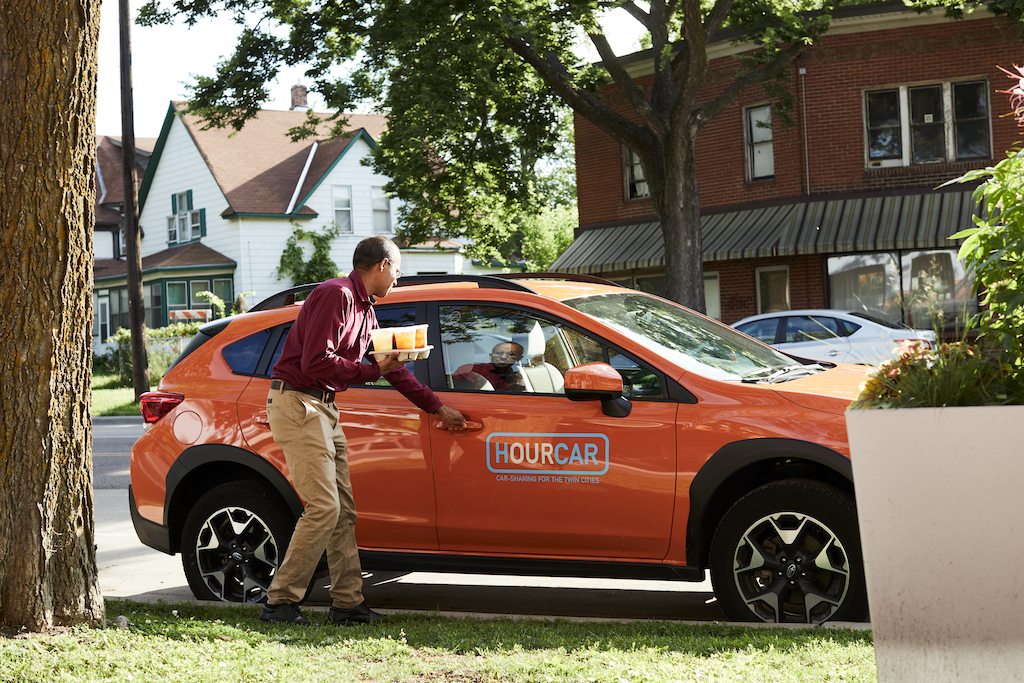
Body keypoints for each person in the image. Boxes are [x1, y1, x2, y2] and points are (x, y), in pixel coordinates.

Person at [260, 235, 466, 626]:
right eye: (399, 271)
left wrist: (435, 406)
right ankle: (279, 602)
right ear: (382, 266)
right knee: (324, 508)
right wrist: (375, 371)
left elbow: (394, 367)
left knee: (343, 513)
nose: (398, 281)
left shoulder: (365, 309)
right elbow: (318, 362)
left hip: (322, 406)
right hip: (299, 403)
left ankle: (347, 604)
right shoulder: (335, 294)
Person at [452, 341, 527, 392]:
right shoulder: (471, 370)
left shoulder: (518, 380)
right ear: (490, 356)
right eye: (499, 353)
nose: (503, 356)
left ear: (520, 358)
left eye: (511, 354)